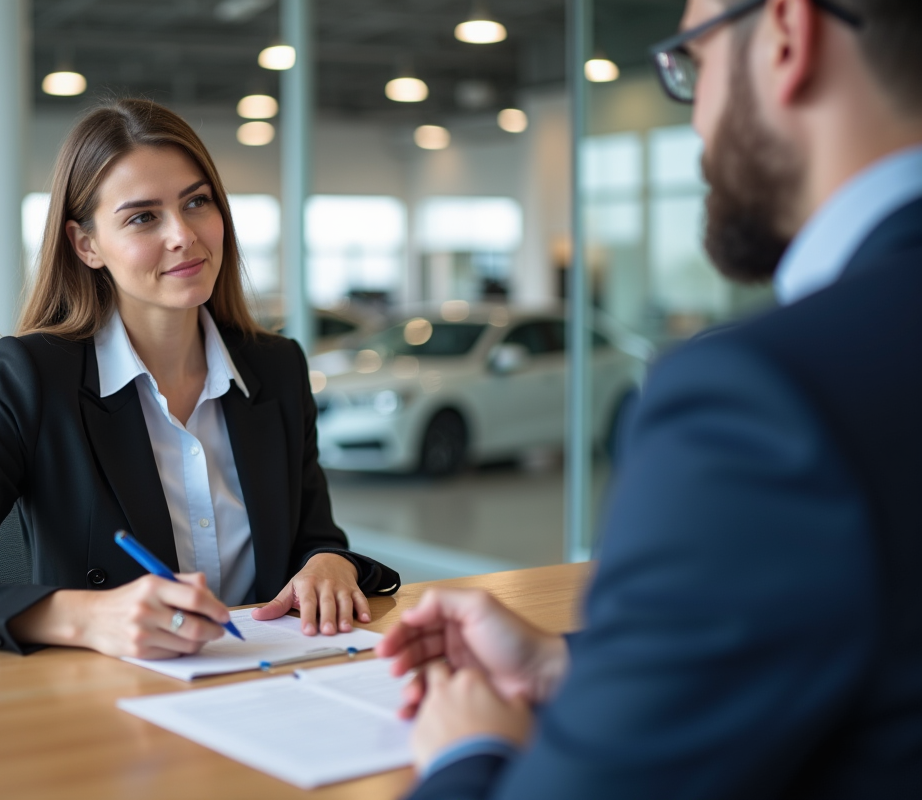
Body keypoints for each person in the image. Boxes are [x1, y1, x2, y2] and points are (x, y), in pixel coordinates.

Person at [377, 0, 922, 795]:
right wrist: (578, 662)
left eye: (691, 65)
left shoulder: (767, 397)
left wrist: (469, 754)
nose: (695, 120)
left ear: (785, 35)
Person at [0, 99, 398, 659]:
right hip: (108, 707)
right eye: (143, 217)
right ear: (86, 245)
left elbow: (314, 538)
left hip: (267, 684)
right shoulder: (37, 378)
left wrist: (329, 562)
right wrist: (81, 616)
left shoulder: (275, 368)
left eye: (197, 202)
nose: (183, 235)